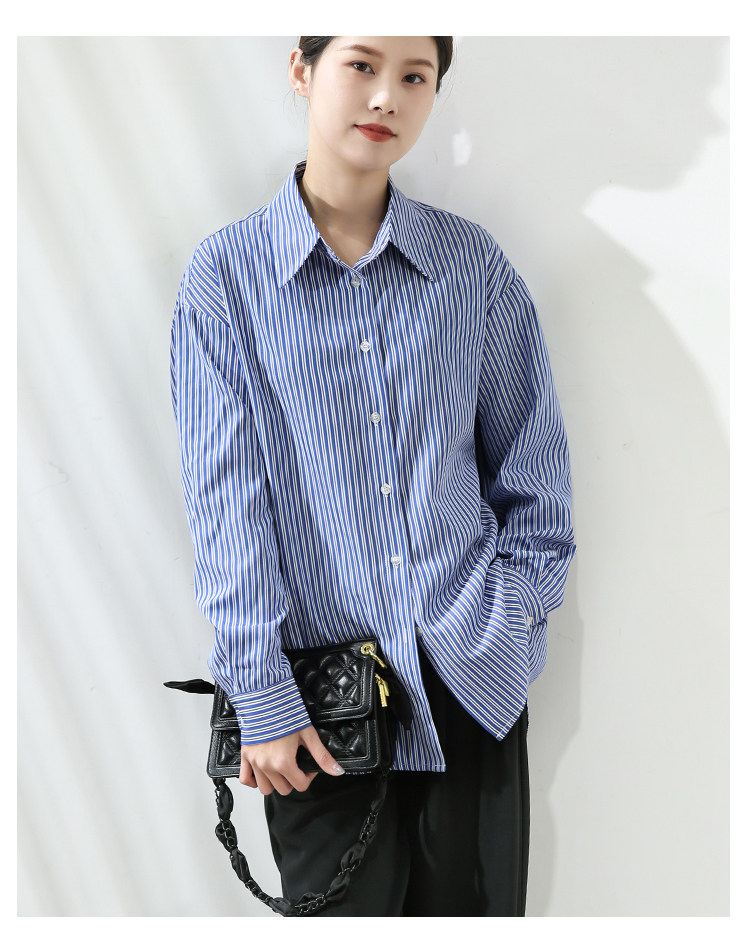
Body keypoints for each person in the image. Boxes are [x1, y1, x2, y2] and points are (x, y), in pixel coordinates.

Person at [170, 35, 576, 917]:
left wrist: (509, 620)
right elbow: (226, 508)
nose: (387, 95)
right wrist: (260, 690)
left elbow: (535, 474)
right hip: (315, 712)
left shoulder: (470, 268)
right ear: (302, 70)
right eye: (361, 65)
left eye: (415, 76)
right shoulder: (226, 281)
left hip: (469, 679)